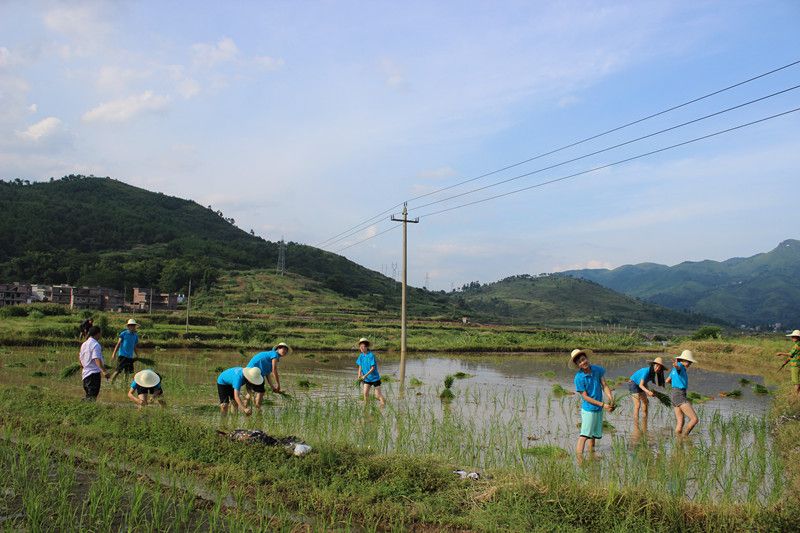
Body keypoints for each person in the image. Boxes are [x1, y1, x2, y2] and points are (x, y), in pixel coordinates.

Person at [571, 349, 613, 460]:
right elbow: (585, 397)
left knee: (593, 435)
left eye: (583, 359)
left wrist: (610, 398)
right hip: (589, 409)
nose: (583, 362)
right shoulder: (578, 378)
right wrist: (602, 404)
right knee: (584, 435)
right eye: (579, 362)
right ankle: (579, 460)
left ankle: (591, 455)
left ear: (587, 359)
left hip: (598, 408)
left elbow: (604, 385)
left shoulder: (597, 370)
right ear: (577, 365)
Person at [245, 342, 291, 407]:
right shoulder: (274, 354)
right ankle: (258, 409)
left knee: (251, 392)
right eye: (284, 349)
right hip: (254, 372)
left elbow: (267, 374)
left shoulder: (270, 355)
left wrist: (273, 387)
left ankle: (245, 408)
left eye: (286, 350)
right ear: (278, 348)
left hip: (249, 372)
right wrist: (278, 385)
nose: (285, 351)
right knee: (261, 392)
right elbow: (274, 370)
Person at [666, 350, 699, 436]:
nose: (690, 364)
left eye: (690, 362)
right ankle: (684, 437)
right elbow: (678, 367)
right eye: (689, 361)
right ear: (683, 360)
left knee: (680, 422)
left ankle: (678, 441)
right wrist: (676, 365)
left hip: (674, 394)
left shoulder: (675, 370)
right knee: (694, 419)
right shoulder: (680, 366)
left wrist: (676, 383)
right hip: (679, 394)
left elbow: (667, 380)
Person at [627, 357, 666, 429]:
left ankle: (645, 421)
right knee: (637, 405)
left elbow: (644, 383)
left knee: (645, 402)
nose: (657, 368)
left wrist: (648, 392)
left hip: (641, 384)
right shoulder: (647, 371)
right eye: (657, 366)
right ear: (653, 365)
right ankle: (636, 425)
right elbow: (640, 385)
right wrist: (648, 391)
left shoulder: (653, 373)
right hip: (633, 383)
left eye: (659, 367)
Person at [78, 326, 110, 401]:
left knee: (89, 395)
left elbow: (80, 356)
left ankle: (84, 408)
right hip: (93, 375)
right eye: (100, 333)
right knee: (92, 398)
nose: (101, 335)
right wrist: (104, 371)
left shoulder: (84, 344)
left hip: (85, 375)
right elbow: (96, 358)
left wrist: (83, 366)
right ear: (98, 333)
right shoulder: (95, 345)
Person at [356, 338, 385, 406]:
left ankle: (383, 404)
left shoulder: (371, 355)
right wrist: (359, 375)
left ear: (366, 347)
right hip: (366, 379)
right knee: (365, 394)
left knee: (377, 396)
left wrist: (365, 375)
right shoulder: (361, 356)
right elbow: (360, 365)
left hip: (375, 378)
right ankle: (366, 407)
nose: (361, 348)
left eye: (362, 347)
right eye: (360, 347)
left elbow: (373, 368)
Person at [110, 319, 140, 384]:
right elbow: (118, 344)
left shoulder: (135, 336)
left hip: (130, 357)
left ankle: (124, 384)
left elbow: (134, 346)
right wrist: (114, 354)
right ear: (128, 326)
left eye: (133, 325)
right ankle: (111, 383)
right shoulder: (123, 334)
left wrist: (137, 355)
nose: (132, 327)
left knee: (127, 372)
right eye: (131, 325)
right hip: (122, 356)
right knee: (118, 371)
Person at [776, 329, 800, 395]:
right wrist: (786, 361)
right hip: (797, 364)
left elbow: (791, 354)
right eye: (792, 336)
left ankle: (795, 396)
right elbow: (794, 355)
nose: (792, 338)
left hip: (796, 365)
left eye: (793, 337)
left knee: (796, 381)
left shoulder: (797, 345)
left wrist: (781, 353)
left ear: (797, 337)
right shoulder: (797, 344)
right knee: (797, 380)